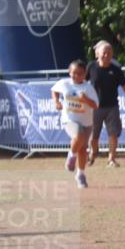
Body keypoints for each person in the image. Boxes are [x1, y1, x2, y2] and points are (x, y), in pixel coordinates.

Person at [87, 40, 125, 167]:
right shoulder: (91, 67)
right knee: (93, 135)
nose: (106, 55)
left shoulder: (116, 70)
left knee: (113, 133)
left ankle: (111, 159)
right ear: (97, 54)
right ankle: (93, 151)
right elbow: (81, 82)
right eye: (104, 52)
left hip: (112, 107)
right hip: (94, 107)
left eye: (109, 52)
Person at [52, 60, 99, 189]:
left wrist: (85, 100)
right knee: (78, 135)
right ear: (69, 72)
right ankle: (71, 156)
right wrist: (56, 101)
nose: (76, 76)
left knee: (83, 149)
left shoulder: (88, 88)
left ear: (85, 74)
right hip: (70, 119)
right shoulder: (64, 83)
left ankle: (81, 175)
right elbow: (54, 90)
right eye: (74, 73)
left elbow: (95, 105)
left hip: (87, 122)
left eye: (80, 73)